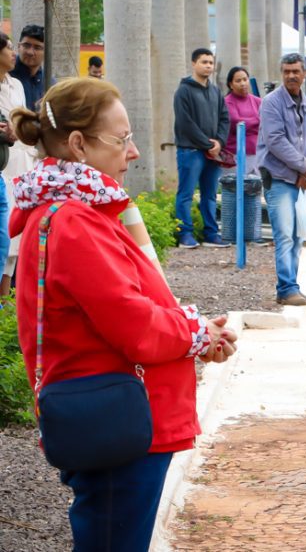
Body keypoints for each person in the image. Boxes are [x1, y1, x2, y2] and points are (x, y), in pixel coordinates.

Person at [8, 77, 238, 549]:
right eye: (122, 138)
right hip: (122, 426)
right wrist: (195, 332)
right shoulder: (75, 220)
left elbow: (126, 311)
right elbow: (135, 326)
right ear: (78, 144)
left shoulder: (70, 213)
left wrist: (196, 332)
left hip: (117, 418)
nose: (132, 152)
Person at [257, 53, 306, 307]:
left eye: (296, 71)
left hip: (300, 181)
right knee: (284, 235)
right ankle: (286, 288)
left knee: (297, 236)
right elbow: (275, 141)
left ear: (304, 74)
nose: (291, 76)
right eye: (286, 71)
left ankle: (292, 287)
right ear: (281, 73)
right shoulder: (271, 103)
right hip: (279, 178)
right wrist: (305, 168)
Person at [173, 48, 231, 249]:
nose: (208, 66)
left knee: (210, 195)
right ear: (193, 64)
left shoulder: (215, 91)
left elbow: (225, 118)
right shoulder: (183, 91)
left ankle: (211, 234)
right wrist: (208, 144)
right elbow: (185, 123)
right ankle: (185, 234)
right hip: (190, 151)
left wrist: (219, 142)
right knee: (186, 194)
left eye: (210, 62)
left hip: (213, 152)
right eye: (204, 62)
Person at [0, 31, 24, 293]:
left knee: (10, 241)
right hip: (3, 168)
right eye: (9, 48)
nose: (13, 53)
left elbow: (20, 123)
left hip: (18, 163)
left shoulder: (16, 85)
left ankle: (5, 301)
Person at [224, 66, 261, 176]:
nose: (243, 83)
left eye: (245, 79)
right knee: (238, 186)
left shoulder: (257, 101)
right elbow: (236, 122)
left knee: (258, 186)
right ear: (230, 84)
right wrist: (257, 120)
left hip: (257, 154)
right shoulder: (227, 102)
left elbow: (267, 122)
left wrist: (254, 123)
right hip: (235, 156)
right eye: (238, 81)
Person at [10, 25, 47, 110]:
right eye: (26, 45)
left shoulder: (48, 81)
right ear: (19, 46)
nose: (30, 52)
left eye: (37, 48)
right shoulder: (5, 75)